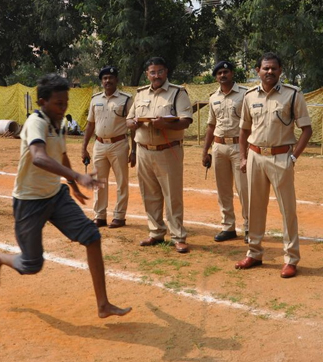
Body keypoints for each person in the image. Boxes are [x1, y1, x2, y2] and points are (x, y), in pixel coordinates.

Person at [0, 74, 131, 319]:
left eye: (65, 102)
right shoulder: (36, 122)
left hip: (56, 195)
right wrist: (77, 176)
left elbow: (61, 154)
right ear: (43, 101)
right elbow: (39, 157)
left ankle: (103, 305)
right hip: (29, 200)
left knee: (91, 236)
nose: (63, 107)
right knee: (32, 264)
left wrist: (71, 186)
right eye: (58, 103)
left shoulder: (59, 123)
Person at [236, 52, 313, 278]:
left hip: (281, 157)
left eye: (273, 68)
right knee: (254, 207)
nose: (269, 72)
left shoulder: (292, 95)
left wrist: (294, 156)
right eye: (265, 68)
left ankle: (290, 258)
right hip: (255, 156)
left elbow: (306, 129)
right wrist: (243, 157)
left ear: (280, 71)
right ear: (257, 71)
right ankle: (255, 252)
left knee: (287, 210)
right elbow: (243, 130)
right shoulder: (249, 96)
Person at [126, 57, 193, 254]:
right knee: (149, 193)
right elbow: (129, 121)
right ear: (147, 74)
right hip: (144, 150)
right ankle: (155, 232)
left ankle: (178, 236)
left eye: (160, 72)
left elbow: (186, 121)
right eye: (152, 72)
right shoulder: (140, 94)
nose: (156, 76)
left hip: (168, 150)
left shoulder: (177, 92)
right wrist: (135, 123)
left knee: (172, 195)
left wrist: (167, 124)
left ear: (166, 72)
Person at [82, 66, 136, 228]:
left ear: (116, 80)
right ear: (101, 81)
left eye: (111, 78)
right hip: (99, 144)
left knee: (121, 182)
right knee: (99, 181)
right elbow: (90, 124)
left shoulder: (126, 99)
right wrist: (84, 147)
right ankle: (100, 216)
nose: (108, 81)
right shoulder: (95, 99)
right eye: (105, 78)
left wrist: (134, 150)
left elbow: (133, 125)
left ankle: (119, 216)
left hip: (119, 144)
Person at [202, 60, 249, 243]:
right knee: (223, 190)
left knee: (244, 189)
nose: (223, 75)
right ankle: (228, 226)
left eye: (226, 72)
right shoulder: (214, 97)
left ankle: (249, 227)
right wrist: (205, 150)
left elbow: (251, 123)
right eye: (219, 73)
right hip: (219, 146)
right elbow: (211, 125)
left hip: (239, 147)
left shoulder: (245, 94)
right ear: (216, 76)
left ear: (232, 74)